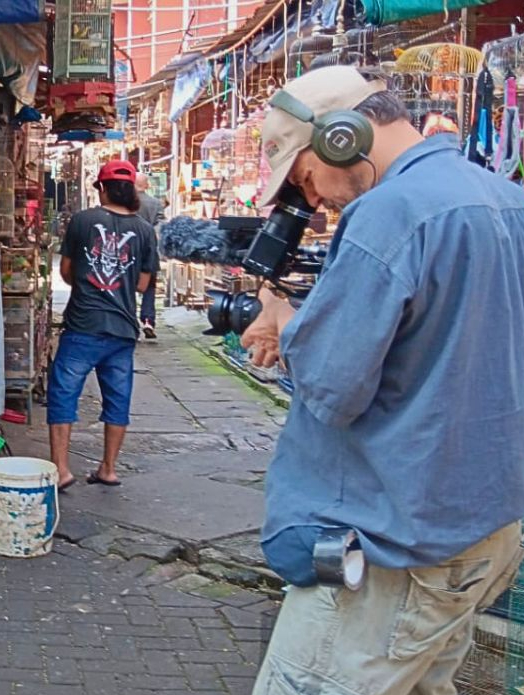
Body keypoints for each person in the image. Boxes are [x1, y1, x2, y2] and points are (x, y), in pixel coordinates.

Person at [239, 65, 524, 694]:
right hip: (482, 531)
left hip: (392, 549)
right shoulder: (504, 198)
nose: (313, 201)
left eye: (304, 176)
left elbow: (335, 387)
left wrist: (288, 328)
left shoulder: (390, 216)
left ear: (342, 137)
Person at [49, 160, 157, 491]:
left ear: (102, 188)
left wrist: (87, 280)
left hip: (83, 325)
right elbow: (142, 284)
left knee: (63, 394)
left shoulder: (82, 221)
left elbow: (66, 272)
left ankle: (62, 470)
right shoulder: (144, 230)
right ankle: (108, 468)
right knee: (118, 399)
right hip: (122, 330)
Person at [134, 173, 166, 338]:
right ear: (146, 185)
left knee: (127, 288)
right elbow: (160, 225)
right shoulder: (155, 203)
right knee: (149, 288)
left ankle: (130, 322)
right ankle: (148, 320)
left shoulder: (126, 203)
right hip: (149, 252)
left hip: (129, 252)